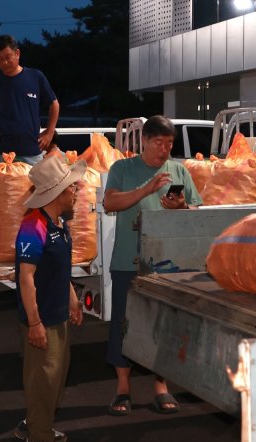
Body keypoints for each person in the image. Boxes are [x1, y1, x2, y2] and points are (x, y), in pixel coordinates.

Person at [103, 115, 203, 416]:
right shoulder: (122, 168)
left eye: (169, 144)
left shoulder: (179, 170)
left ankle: (161, 386)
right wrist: (146, 190)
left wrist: (182, 207)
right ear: (143, 140)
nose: (164, 150)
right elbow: (110, 203)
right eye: (159, 143)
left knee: (163, 324)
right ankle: (123, 389)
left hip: (166, 262)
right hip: (127, 259)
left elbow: (197, 209)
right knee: (124, 322)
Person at [13, 157, 85, 442]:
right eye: (73, 187)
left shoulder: (60, 223)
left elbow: (61, 271)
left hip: (57, 314)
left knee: (55, 375)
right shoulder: (34, 225)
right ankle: (38, 439)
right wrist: (35, 323)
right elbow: (25, 277)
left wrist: (73, 301)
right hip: (41, 318)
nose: (78, 191)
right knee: (44, 377)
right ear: (58, 193)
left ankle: (36, 423)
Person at [0, 34, 59, 166]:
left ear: (17, 53)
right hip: (3, 153)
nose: (4, 62)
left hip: (33, 150)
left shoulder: (35, 77)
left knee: (35, 186)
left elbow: (54, 104)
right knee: (5, 186)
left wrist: (50, 132)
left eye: (7, 57)